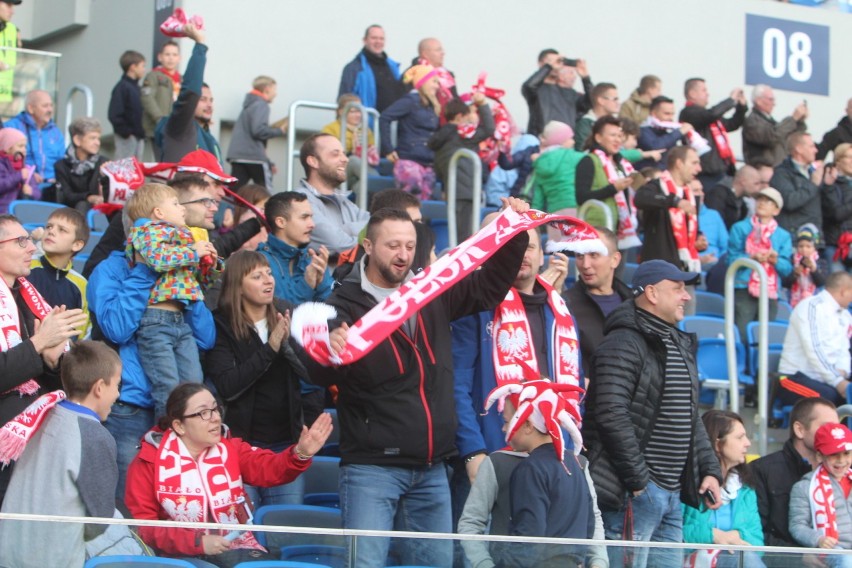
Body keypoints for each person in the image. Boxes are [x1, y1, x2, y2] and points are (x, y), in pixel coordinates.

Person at [302, 200, 531, 568]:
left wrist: (516, 234)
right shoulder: (341, 304)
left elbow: (488, 288)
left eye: (409, 246)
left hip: (432, 467)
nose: (403, 255)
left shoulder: (430, 289)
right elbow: (319, 377)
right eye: (393, 246)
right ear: (368, 247)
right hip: (371, 469)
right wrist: (328, 351)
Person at [584, 259, 722, 568]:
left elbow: (689, 416)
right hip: (635, 494)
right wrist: (639, 482)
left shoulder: (677, 342)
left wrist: (709, 469)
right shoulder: (622, 342)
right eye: (677, 289)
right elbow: (610, 413)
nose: (685, 297)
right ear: (652, 294)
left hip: (670, 495)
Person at [124, 383, 333, 567]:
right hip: (178, 558)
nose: (214, 418)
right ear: (179, 425)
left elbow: (270, 468)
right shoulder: (148, 461)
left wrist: (301, 452)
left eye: (216, 409)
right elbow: (145, 528)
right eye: (203, 413)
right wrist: (198, 542)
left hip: (237, 549)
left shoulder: (230, 448)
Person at [451, 228, 575, 482]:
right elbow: (456, 385)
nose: (521, 254)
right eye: (512, 247)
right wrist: (473, 451)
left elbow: (571, 387)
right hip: (492, 455)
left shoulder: (560, 313)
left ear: (542, 256)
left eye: (529, 247)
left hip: (552, 460)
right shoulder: (474, 307)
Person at [0, 341, 123, 568]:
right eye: (116, 385)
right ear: (99, 388)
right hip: (51, 558)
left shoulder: (40, 413)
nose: (117, 394)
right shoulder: (95, 436)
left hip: (8, 551)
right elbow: (100, 516)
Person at [204, 251, 308, 508]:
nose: (268, 281)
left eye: (270, 274)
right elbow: (228, 385)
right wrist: (270, 349)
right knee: (243, 536)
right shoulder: (220, 324)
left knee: (283, 530)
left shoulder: (287, 313)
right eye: (257, 276)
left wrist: (286, 346)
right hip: (240, 447)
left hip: (285, 444)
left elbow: (311, 373)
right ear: (238, 286)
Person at [0, 214, 88, 503]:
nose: (32, 248)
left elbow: (43, 377)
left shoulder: (28, 295)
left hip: (33, 438)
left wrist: (52, 361)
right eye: (21, 241)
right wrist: (39, 342)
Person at [124, 183, 218, 418]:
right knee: (167, 389)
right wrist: (193, 252)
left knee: (194, 387)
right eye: (175, 204)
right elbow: (158, 260)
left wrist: (212, 264)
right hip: (156, 322)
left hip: (180, 320)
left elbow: (198, 280)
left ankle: (189, 444)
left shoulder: (184, 237)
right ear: (158, 213)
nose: (182, 208)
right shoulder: (145, 232)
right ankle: (165, 445)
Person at [486, 381, 593, 568]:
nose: (504, 429)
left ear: (527, 424)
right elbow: (588, 525)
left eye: (507, 422)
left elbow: (528, 537)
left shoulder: (531, 469)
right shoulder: (575, 465)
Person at [752, 397, 839, 551]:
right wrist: (802, 559)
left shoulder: (843, 473)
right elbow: (755, 534)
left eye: (836, 428)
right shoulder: (761, 470)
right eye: (826, 427)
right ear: (800, 429)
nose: (833, 435)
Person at [681, 410, 766, 568]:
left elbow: (758, 542)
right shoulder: (686, 484)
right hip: (688, 562)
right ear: (717, 444)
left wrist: (735, 536)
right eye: (740, 437)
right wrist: (712, 536)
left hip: (736, 561)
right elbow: (670, 536)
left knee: (744, 557)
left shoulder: (745, 489)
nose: (747, 443)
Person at [563, 226, 631, 381]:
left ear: (615, 260)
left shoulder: (633, 304)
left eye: (594, 255)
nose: (585, 265)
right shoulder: (565, 306)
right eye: (580, 256)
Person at [728, 187, 793, 342]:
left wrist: (774, 260)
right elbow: (730, 260)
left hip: (770, 291)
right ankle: (742, 365)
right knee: (742, 332)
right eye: (760, 199)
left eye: (769, 201)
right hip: (743, 287)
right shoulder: (740, 228)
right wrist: (752, 257)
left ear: (776, 210)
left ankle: (758, 366)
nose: (762, 203)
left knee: (764, 336)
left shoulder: (783, 235)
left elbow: (787, 268)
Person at [778, 271, 852, 406]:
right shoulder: (811, 307)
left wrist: (843, 372)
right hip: (795, 377)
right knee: (830, 399)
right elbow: (814, 349)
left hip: (828, 378)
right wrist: (837, 380)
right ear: (843, 291)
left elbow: (844, 349)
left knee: (845, 394)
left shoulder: (845, 315)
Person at [428, 94, 494, 241]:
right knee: (467, 237)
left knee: (457, 234)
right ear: (459, 116)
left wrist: (445, 188)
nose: (470, 119)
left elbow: (438, 168)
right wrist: (482, 104)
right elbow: (489, 129)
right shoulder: (463, 135)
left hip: (452, 192)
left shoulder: (439, 139)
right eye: (468, 115)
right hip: (468, 191)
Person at [576, 115, 642, 260]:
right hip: (598, 231)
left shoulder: (622, 164)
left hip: (620, 232)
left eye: (620, 135)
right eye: (613, 135)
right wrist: (613, 188)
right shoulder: (588, 161)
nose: (618, 140)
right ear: (598, 138)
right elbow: (581, 196)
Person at [293, 133, 370, 257]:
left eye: (344, 153)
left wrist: (345, 229)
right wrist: (362, 237)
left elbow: (378, 227)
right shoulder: (299, 200)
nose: (345, 159)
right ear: (313, 161)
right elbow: (337, 245)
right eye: (335, 154)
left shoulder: (344, 201)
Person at [156, 23, 222, 163]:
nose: (209, 104)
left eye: (211, 100)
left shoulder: (211, 140)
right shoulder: (179, 126)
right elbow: (191, 91)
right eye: (203, 99)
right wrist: (200, 45)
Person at [789, 422, 852, 565]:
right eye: (834, 454)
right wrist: (818, 539)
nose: (842, 460)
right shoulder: (804, 486)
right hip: (833, 551)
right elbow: (797, 525)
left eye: (847, 453)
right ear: (819, 456)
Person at [635, 146, 702, 274]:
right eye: (694, 163)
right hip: (659, 270)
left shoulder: (690, 194)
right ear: (679, 164)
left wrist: (698, 239)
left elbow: (689, 229)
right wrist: (674, 201)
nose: (699, 168)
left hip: (685, 269)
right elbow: (640, 198)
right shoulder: (657, 186)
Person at [380, 64, 441, 200]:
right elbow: (385, 117)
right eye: (434, 81)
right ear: (423, 82)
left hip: (428, 163)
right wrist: (388, 149)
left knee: (423, 210)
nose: (437, 86)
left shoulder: (431, 107)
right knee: (409, 203)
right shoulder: (410, 101)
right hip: (409, 159)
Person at [27, 207, 91, 338]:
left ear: (77, 245)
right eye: (49, 226)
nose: (51, 232)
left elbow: (81, 331)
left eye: (62, 230)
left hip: (62, 355)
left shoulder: (81, 284)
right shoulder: (26, 265)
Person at [258, 191, 331, 304]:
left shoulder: (313, 260)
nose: (312, 224)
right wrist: (307, 284)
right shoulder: (259, 263)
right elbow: (280, 312)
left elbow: (331, 309)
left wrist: (321, 284)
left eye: (311, 217)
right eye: (304, 217)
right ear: (281, 222)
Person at [679, 78, 748, 188]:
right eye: (704, 90)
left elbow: (732, 124)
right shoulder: (688, 113)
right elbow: (711, 115)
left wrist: (741, 107)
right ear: (692, 94)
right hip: (705, 174)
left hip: (723, 171)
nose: (708, 94)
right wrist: (730, 100)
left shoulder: (711, 120)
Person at [526, 121, 584, 242]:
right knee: (578, 250)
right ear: (561, 140)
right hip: (575, 208)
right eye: (570, 138)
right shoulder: (573, 156)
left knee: (557, 252)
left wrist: (532, 223)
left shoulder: (540, 163)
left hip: (554, 213)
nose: (573, 141)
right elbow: (596, 159)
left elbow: (538, 198)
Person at [226, 75, 287, 189]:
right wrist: (279, 131)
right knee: (265, 193)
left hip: (238, 156)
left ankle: (229, 208)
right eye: (274, 89)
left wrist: (268, 162)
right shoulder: (261, 105)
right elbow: (258, 131)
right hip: (254, 158)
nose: (276, 94)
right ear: (267, 89)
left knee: (234, 193)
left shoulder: (250, 105)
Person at [772, 132, 833, 237]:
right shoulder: (781, 173)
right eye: (812, 146)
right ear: (799, 149)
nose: (816, 150)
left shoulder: (813, 173)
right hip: (795, 239)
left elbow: (827, 208)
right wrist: (813, 184)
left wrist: (828, 186)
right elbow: (790, 202)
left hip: (815, 238)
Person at [5, 90, 64, 198]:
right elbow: (5, 161)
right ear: (31, 108)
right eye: (45, 106)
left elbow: (61, 162)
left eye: (51, 105)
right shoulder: (12, 127)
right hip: (23, 185)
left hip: (51, 187)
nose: (50, 110)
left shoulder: (56, 132)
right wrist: (29, 175)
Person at [522, 49, 593, 135]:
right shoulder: (537, 90)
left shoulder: (570, 93)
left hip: (566, 144)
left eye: (559, 61)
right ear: (541, 63)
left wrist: (585, 78)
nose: (556, 64)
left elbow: (591, 103)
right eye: (551, 61)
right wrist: (548, 67)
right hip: (541, 141)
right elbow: (529, 86)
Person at [338, 24, 405, 114]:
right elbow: (344, 101)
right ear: (365, 40)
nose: (378, 42)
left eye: (381, 38)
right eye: (374, 38)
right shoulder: (354, 68)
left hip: (392, 124)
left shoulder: (393, 66)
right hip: (367, 124)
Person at [320, 93, 379, 192]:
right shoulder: (330, 129)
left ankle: (364, 202)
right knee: (353, 160)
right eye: (353, 111)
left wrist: (367, 151)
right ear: (341, 111)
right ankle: (379, 183)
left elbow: (373, 155)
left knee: (361, 186)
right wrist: (351, 150)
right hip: (335, 174)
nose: (358, 115)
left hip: (357, 175)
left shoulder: (366, 130)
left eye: (360, 111)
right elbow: (327, 157)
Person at [743, 84, 808, 167]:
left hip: (779, 170)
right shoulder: (752, 121)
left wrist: (799, 121)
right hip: (763, 171)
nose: (774, 104)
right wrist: (793, 119)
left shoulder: (769, 121)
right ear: (758, 101)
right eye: (771, 99)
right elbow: (772, 136)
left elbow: (790, 138)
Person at [54, 117, 108, 212]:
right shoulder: (61, 166)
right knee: (82, 205)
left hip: (98, 211)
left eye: (98, 138)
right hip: (71, 212)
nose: (98, 143)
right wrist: (89, 197)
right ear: (77, 140)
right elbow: (67, 195)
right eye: (92, 138)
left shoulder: (104, 163)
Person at [141, 40, 181, 157]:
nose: (171, 58)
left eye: (174, 55)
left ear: (179, 58)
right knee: (158, 162)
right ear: (160, 57)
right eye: (167, 54)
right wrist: (159, 119)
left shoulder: (182, 80)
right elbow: (147, 98)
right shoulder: (153, 76)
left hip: (177, 131)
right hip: (157, 129)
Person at [108, 50, 147, 160]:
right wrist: (126, 133)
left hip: (138, 136)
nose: (144, 69)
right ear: (133, 67)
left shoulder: (137, 88)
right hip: (127, 137)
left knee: (136, 168)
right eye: (142, 66)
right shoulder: (122, 88)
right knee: (124, 167)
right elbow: (114, 114)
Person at [637, 95, 694, 170]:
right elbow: (655, 146)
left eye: (672, 114)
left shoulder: (668, 132)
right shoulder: (643, 131)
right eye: (667, 114)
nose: (671, 118)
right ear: (653, 113)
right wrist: (679, 132)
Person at [822, 142, 852, 271]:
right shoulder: (830, 183)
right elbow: (836, 214)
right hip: (835, 245)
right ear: (838, 160)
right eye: (849, 157)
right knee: (837, 287)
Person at [705, 164, 763, 230]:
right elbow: (714, 224)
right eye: (756, 184)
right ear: (743, 182)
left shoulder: (742, 203)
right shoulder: (717, 195)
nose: (758, 189)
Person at [783, 228, 827, 308]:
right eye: (801, 246)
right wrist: (795, 273)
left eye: (808, 246)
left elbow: (821, 283)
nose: (804, 249)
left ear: (814, 248)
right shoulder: (792, 260)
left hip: (814, 297)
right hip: (794, 299)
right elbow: (785, 283)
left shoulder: (820, 262)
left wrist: (813, 269)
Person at [574, 82, 620, 150]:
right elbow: (582, 150)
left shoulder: (616, 124)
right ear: (601, 101)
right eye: (615, 99)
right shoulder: (585, 124)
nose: (618, 103)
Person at [0, 126, 33, 212]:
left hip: (20, 210)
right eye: (20, 146)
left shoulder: (24, 167)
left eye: (25, 147)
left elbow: (37, 192)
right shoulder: (2, 164)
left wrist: (31, 192)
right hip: (3, 210)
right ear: (7, 148)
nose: (24, 150)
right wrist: (19, 175)